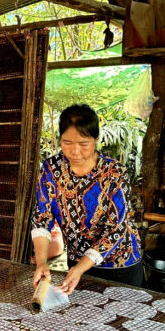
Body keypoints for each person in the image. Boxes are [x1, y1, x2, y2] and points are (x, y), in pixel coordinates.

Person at [31, 104, 142, 295]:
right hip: (77, 259)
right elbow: (42, 217)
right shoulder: (51, 169)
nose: (75, 151)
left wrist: (81, 267)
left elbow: (116, 229)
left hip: (119, 264)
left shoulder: (114, 174)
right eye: (67, 143)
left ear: (96, 139)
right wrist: (41, 262)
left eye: (83, 144)